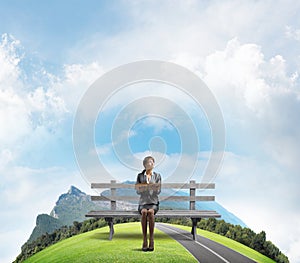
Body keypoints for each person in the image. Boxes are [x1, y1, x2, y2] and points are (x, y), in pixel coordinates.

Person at [135, 156, 161, 252]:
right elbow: (138, 190)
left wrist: (145, 187)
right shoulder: (140, 176)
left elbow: (158, 191)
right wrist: (150, 186)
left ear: (153, 164)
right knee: (144, 212)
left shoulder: (157, 176)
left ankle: (152, 240)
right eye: (148, 162)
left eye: (152, 162)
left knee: (150, 212)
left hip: (154, 203)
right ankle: (144, 240)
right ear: (145, 165)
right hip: (143, 203)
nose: (150, 164)